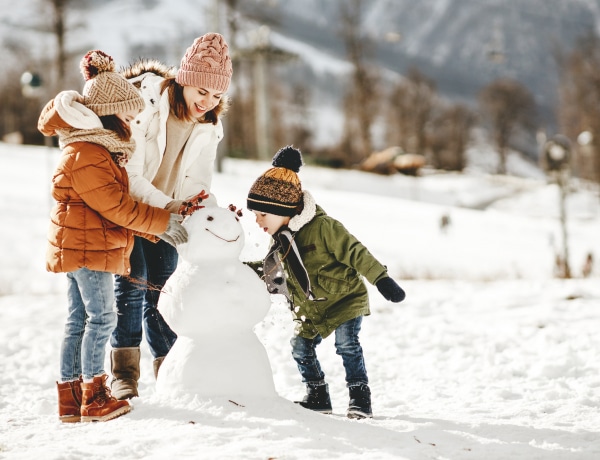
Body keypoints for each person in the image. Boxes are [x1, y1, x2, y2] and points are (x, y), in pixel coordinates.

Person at [38, 50, 188, 423]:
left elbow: (114, 208)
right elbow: (116, 206)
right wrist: (161, 222)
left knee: (79, 320)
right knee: (102, 318)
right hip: (88, 249)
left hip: (84, 245)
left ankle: (71, 402)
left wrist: (151, 229)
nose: (132, 124)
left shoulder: (94, 149)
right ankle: (94, 395)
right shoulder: (88, 152)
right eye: (127, 116)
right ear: (107, 113)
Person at [109, 32, 233, 400]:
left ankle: (170, 368)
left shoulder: (209, 125)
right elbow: (130, 174)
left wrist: (210, 213)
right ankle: (125, 374)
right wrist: (169, 207)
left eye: (217, 95)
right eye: (201, 91)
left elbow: (198, 181)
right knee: (133, 284)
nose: (207, 102)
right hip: (130, 207)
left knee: (163, 291)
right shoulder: (146, 103)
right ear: (184, 80)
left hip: (168, 216)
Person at [246, 146, 406, 419]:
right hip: (312, 310)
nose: (257, 220)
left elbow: (356, 252)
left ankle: (359, 398)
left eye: (262, 213)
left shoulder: (323, 228)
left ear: (282, 208)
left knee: (347, 345)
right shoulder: (281, 240)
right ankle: (318, 395)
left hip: (344, 300)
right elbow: (271, 273)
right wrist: (236, 272)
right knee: (300, 346)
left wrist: (382, 279)